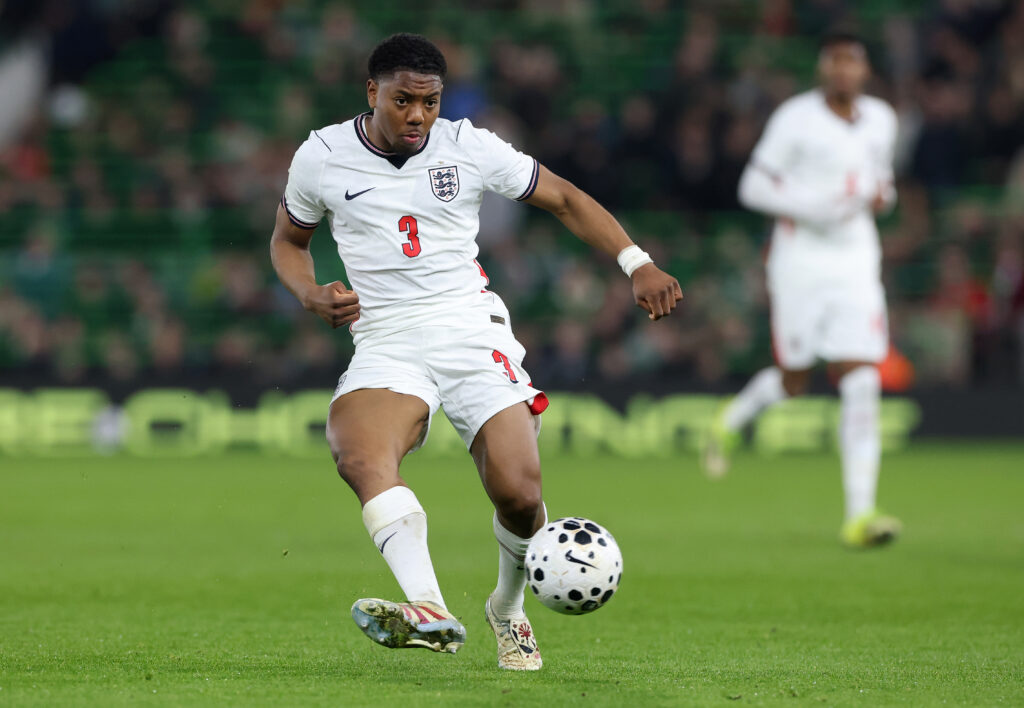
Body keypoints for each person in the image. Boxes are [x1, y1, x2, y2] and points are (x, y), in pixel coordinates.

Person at [270, 33, 682, 670]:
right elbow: (288, 243)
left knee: (519, 493)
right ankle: (430, 609)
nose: (417, 116)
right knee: (358, 453)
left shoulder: (469, 146)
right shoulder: (320, 156)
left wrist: (638, 263)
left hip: (469, 326)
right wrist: (308, 294)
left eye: (429, 102)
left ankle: (508, 609)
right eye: (403, 100)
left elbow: (566, 199)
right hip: (385, 336)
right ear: (371, 92)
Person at [701, 28, 902, 549]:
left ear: (864, 69)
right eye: (834, 61)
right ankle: (732, 418)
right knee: (796, 378)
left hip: (857, 258)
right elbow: (753, 185)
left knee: (861, 375)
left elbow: (884, 184)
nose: (843, 71)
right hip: (801, 260)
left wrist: (881, 195)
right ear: (822, 68)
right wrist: (816, 206)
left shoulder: (882, 119)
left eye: (852, 61)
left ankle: (861, 514)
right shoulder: (796, 117)